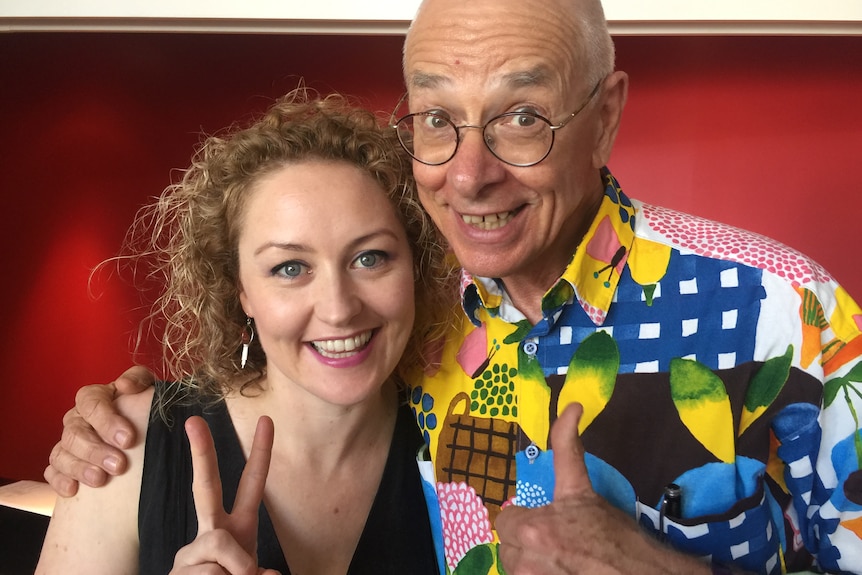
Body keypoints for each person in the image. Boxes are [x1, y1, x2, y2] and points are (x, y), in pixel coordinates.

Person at [44, 0, 862, 573]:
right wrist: (119, 420)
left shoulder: (788, 312)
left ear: (606, 114)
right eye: (437, 119)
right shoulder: (420, 335)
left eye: (521, 116)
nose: (469, 174)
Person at [36, 89, 454, 574]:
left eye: (370, 258)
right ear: (241, 292)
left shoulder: (457, 434)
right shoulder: (123, 445)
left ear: (416, 267)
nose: (339, 309)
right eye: (290, 268)